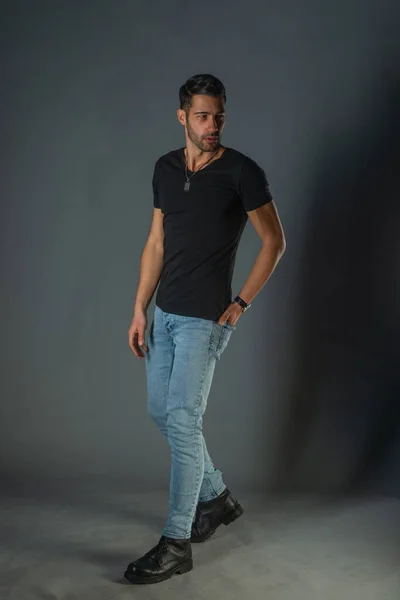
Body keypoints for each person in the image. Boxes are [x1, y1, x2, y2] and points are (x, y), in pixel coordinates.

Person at [124, 73, 286, 585]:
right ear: (182, 117)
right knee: (161, 413)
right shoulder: (165, 169)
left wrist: (240, 303)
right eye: (202, 116)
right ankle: (215, 497)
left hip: (204, 320)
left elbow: (274, 242)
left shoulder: (242, 172)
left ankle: (176, 543)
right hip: (165, 315)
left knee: (184, 421)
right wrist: (138, 309)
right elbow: (156, 242)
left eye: (218, 116)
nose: (211, 125)